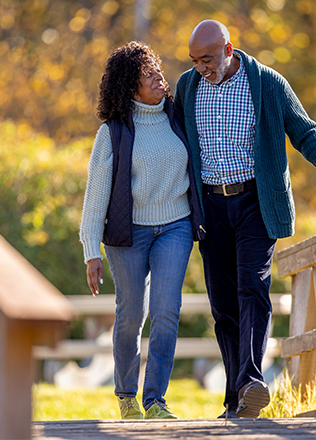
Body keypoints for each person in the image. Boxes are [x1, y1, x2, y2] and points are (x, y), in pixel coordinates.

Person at [173, 20, 316, 419]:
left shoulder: (268, 83)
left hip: (256, 203)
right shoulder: (188, 87)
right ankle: (235, 398)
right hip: (211, 208)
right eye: (194, 60)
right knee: (223, 306)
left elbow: (304, 130)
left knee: (252, 289)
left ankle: (251, 381)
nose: (200, 67)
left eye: (207, 59)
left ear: (228, 50)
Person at [79, 41, 204, 420]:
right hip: (128, 235)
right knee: (131, 315)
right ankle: (126, 396)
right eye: (147, 75)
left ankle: (155, 401)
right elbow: (96, 195)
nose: (158, 78)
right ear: (129, 86)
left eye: (157, 70)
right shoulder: (113, 133)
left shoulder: (177, 117)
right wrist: (91, 250)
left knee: (166, 312)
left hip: (175, 227)